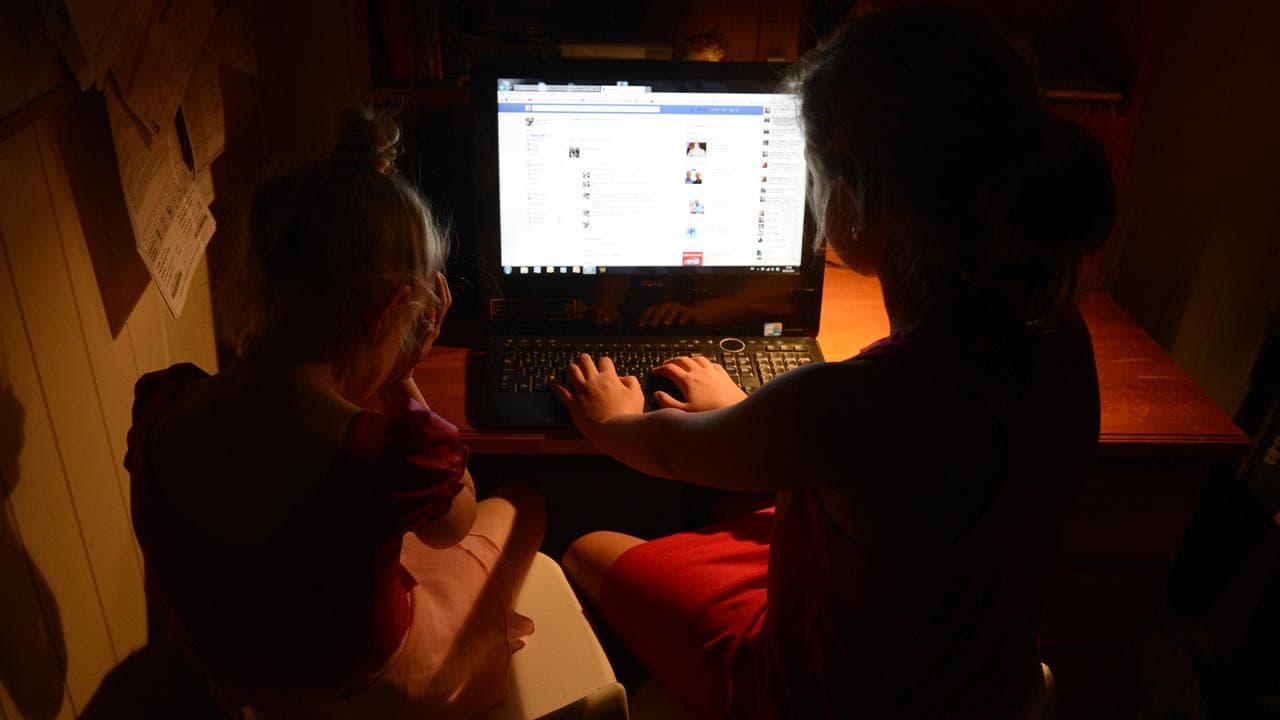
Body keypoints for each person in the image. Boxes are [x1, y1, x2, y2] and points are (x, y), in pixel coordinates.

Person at [551, 5, 1114, 718]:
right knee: (742, 512)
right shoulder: (1061, 336)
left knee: (589, 546)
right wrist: (747, 412)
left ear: (851, 200)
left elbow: (667, 448)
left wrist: (610, 421)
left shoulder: (850, 406)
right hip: (983, 682)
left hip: (817, 696)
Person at [125, 109, 545, 719]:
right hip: (365, 685)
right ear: (387, 312)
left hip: (239, 671)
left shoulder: (163, 401)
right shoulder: (400, 456)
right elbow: (454, 523)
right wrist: (402, 377)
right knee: (523, 504)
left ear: (257, 275)